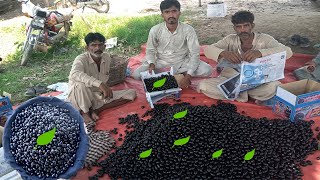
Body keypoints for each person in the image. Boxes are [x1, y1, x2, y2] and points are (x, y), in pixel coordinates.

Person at [197, 10, 293, 104]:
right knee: (204, 85)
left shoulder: (264, 39)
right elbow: (207, 50)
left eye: (246, 26)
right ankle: (249, 95)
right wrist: (224, 53)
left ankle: (236, 94)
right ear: (234, 28)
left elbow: (288, 51)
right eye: (239, 27)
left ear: (252, 26)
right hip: (232, 80)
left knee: (274, 87)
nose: (242, 30)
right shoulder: (230, 40)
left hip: (257, 80)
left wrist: (260, 52)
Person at [132, 0, 212, 88]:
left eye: (174, 11)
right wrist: (152, 64)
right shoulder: (155, 30)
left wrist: (188, 76)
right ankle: (177, 75)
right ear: (162, 15)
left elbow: (194, 53)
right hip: (161, 62)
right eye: (167, 12)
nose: (171, 15)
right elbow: (150, 50)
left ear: (179, 13)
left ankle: (178, 74)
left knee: (207, 70)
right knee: (137, 74)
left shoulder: (188, 30)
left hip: (182, 61)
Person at [66, 33, 137, 123]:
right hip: (81, 96)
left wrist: (103, 88)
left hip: (97, 95)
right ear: (87, 48)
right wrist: (100, 84)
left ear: (104, 46)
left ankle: (97, 110)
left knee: (131, 93)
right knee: (80, 85)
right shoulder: (81, 59)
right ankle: (85, 113)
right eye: (93, 45)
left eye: (100, 45)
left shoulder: (106, 57)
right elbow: (75, 73)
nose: (97, 48)